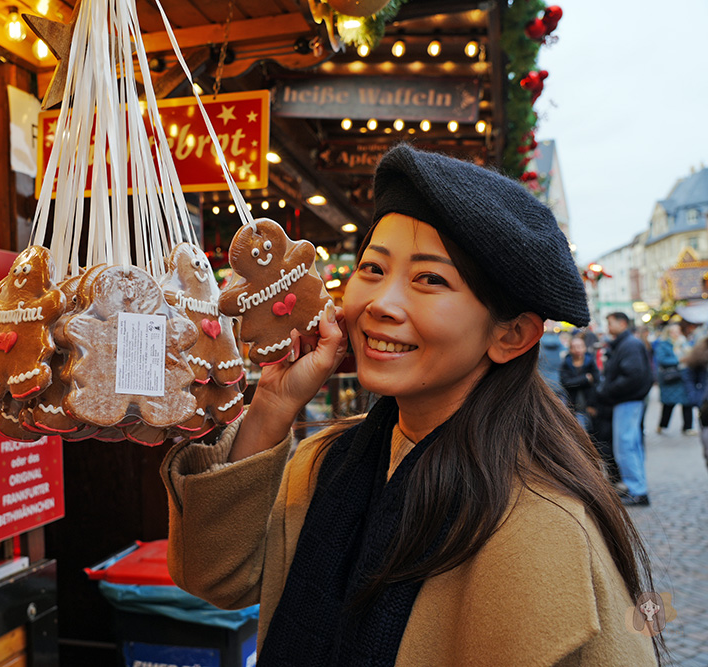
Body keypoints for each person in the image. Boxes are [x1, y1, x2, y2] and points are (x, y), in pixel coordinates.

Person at [161, 145, 660, 665]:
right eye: (373, 269)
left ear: (511, 335)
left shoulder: (543, 527)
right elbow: (216, 577)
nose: (380, 302)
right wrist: (272, 403)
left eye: (429, 279)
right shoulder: (324, 464)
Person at [596, 313, 654, 507]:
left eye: (610, 322)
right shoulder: (627, 344)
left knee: (626, 446)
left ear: (622, 323)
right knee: (629, 445)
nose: (608, 326)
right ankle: (636, 487)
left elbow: (632, 376)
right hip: (628, 401)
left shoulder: (629, 344)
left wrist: (607, 391)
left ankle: (637, 490)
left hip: (627, 401)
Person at [653, 324, 692, 434]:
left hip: (683, 376)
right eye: (673, 331)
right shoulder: (663, 344)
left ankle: (688, 427)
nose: (676, 334)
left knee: (686, 403)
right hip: (671, 377)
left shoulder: (684, 343)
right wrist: (679, 360)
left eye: (677, 331)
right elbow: (662, 359)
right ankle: (662, 425)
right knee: (668, 404)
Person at [560, 334, 600, 431]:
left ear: (585, 348)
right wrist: (585, 379)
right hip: (573, 405)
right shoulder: (566, 364)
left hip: (589, 405)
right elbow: (566, 383)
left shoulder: (590, 362)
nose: (577, 349)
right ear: (570, 349)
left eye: (580, 346)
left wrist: (593, 405)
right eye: (574, 347)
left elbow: (596, 382)